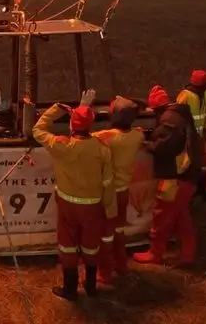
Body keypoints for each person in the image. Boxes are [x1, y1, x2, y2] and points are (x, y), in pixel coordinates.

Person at [28, 89, 115, 300]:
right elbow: (108, 181)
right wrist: (108, 206)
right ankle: (91, 285)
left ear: (70, 125)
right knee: (91, 245)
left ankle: (69, 288)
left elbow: (37, 130)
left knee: (67, 245)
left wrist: (56, 108)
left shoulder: (61, 145)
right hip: (93, 206)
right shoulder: (101, 148)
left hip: (67, 204)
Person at [132, 85, 203, 267]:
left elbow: (165, 145)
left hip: (174, 178)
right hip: (187, 177)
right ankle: (188, 253)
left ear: (157, 109)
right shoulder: (181, 114)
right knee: (181, 216)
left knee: (161, 215)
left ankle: (155, 254)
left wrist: (148, 144)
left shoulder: (168, 119)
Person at [92, 96, 145, 284]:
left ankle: (104, 273)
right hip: (123, 191)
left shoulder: (105, 137)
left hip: (108, 193)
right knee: (119, 229)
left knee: (105, 234)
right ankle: (121, 264)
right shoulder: (138, 135)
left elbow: (81, 135)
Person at [176, 70, 206, 201]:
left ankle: (200, 192)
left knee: (202, 163)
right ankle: (189, 194)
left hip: (201, 135)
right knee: (188, 165)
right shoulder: (184, 96)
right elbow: (178, 116)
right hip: (189, 138)